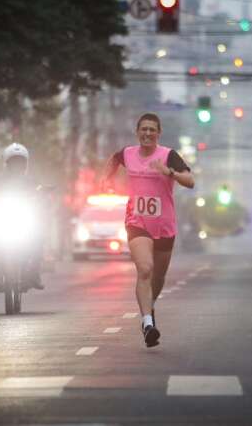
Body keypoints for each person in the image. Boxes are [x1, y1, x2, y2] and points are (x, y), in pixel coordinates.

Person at [102, 112, 194, 347]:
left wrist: (169, 172)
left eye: (152, 129)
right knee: (145, 269)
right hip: (137, 222)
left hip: (164, 226)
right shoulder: (128, 153)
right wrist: (106, 180)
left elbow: (190, 181)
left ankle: (149, 307)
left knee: (158, 276)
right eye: (144, 129)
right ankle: (147, 323)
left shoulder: (168, 155)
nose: (148, 133)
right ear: (137, 132)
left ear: (158, 134)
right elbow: (113, 160)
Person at [0, 143, 45, 291]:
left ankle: (34, 275)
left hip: (25, 219)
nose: (17, 165)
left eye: (20, 162)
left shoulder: (33, 182)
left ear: (25, 164)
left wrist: (43, 197)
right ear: (7, 163)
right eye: (13, 162)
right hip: (3, 219)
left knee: (38, 239)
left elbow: (41, 196)